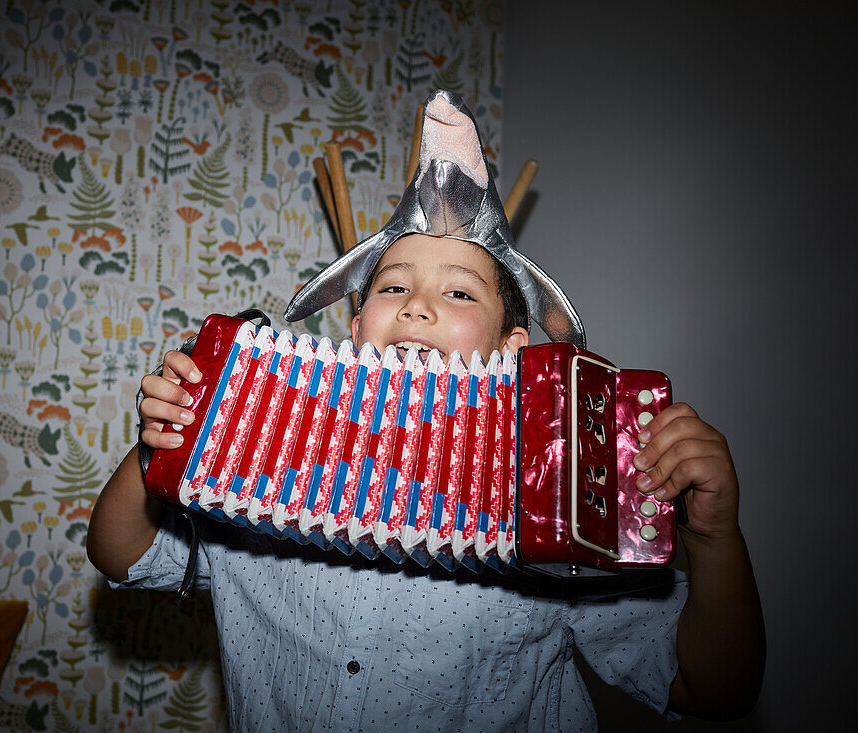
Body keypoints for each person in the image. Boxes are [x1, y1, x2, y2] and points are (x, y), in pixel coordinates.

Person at [88, 91, 765, 730]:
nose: (418, 304)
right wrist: (163, 444)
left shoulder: (563, 496)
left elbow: (713, 688)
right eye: (393, 284)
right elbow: (120, 553)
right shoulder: (265, 449)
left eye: (461, 293)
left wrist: (713, 539)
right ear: (357, 327)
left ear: (513, 348)